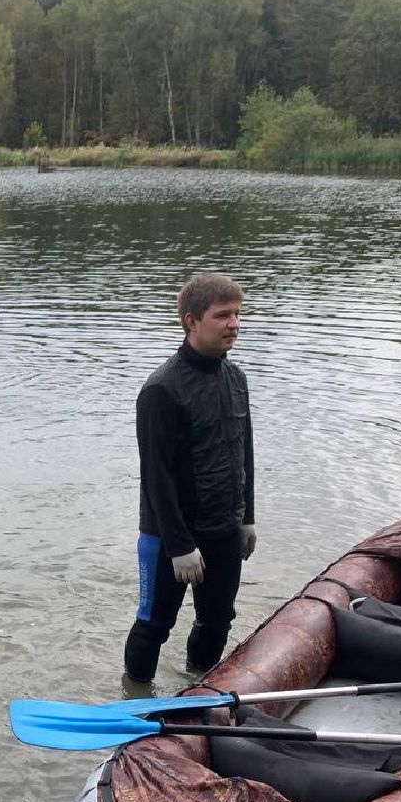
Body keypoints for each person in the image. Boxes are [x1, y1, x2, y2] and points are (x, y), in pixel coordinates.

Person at [123, 273, 256, 685]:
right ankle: (135, 699)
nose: (234, 323)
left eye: (237, 314)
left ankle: (193, 688)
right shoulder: (162, 389)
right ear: (191, 321)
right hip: (169, 538)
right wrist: (180, 546)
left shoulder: (236, 379)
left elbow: (244, 454)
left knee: (218, 621)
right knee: (154, 625)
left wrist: (247, 517)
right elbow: (155, 477)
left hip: (224, 528)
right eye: (222, 315)